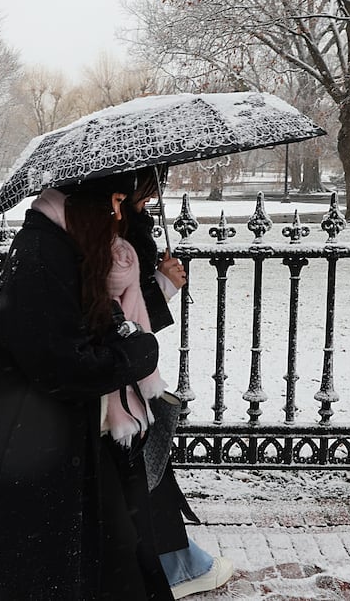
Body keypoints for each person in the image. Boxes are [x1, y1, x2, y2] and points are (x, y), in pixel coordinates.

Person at [0, 171, 174, 601]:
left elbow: (83, 328)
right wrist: (136, 354)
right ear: (88, 202)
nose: (119, 212)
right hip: (36, 449)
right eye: (114, 200)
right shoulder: (41, 255)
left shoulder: (65, 248)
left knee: (118, 556)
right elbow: (64, 365)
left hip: (62, 442)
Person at [121, 170, 236, 599]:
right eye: (149, 189)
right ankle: (176, 565)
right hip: (124, 376)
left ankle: (174, 560)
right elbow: (124, 318)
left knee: (143, 469)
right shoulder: (120, 234)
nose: (154, 196)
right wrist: (165, 284)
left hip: (124, 373)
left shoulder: (128, 225)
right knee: (145, 470)